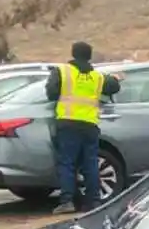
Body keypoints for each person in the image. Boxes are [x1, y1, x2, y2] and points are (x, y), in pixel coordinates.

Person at [43, 41, 122, 213]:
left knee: (67, 163)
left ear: (73, 53)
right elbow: (114, 87)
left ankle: (67, 201)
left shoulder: (62, 72)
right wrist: (115, 78)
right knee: (91, 163)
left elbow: (51, 93)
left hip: (68, 123)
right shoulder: (98, 77)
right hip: (90, 125)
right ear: (90, 56)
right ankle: (94, 201)